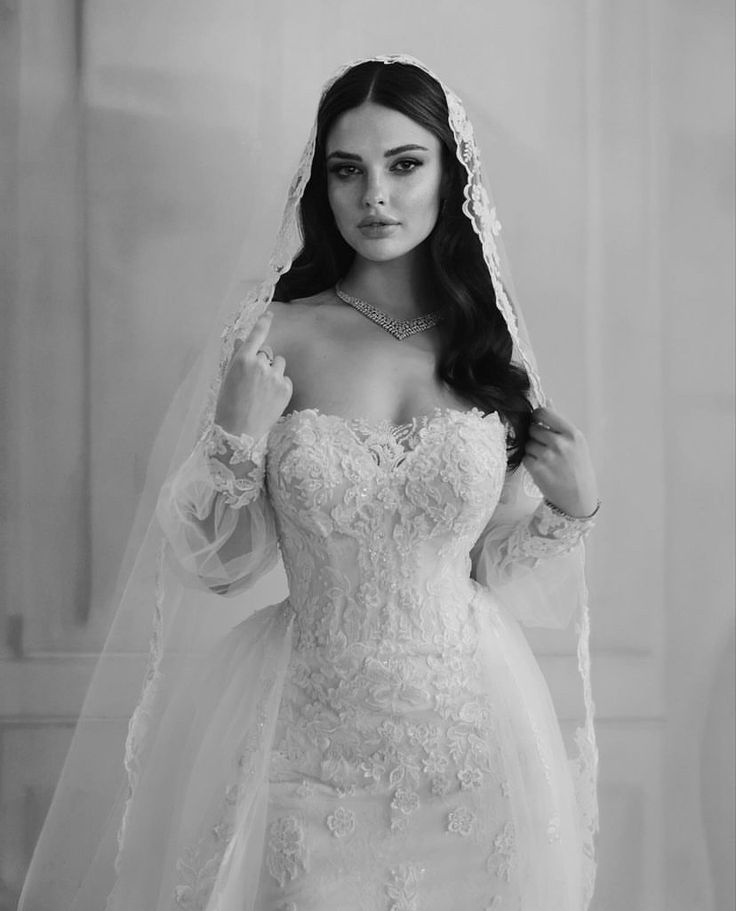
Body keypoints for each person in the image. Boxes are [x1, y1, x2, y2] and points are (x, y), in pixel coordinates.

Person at [18, 56, 599, 911]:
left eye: (405, 164)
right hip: (304, 734)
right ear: (321, 185)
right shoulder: (275, 335)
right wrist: (236, 432)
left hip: (470, 734)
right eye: (347, 169)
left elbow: (485, 566)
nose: (375, 196)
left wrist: (574, 505)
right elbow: (220, 565)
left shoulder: (485, 350)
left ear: (449, 175)